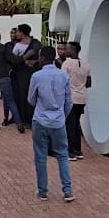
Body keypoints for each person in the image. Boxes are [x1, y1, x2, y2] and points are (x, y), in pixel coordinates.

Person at [28, 46, 74, 203]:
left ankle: (42, 192)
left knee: (40, 157)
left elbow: (31, 99)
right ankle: (67, 190)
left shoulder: (36, 76)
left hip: (40, 120)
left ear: (41, 58)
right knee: (62, 155)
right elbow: (69, 101)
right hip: (58, 121)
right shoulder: (63, 75)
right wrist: (62, 116)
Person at [61, 42, 90, 161]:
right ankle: (78, 151)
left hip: (70, 98)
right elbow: (89, 83)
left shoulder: (66, 64)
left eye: (67, 49)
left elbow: (62, 81)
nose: (65, 51)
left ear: (73, 50)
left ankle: (70, 151)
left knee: (69, 125)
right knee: (76, 124)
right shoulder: (86, 64)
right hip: (82, 98)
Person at [11, 24, 42, 126]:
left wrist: (34, 61)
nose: (16, 34)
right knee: (23, 95)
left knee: (34, 94)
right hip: (21, 74)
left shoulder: (36, 43)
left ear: (23, 33)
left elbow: (41, 56)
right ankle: (25, 118)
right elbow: (14, 60)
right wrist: (25, 60)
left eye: (18, 32)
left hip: (34, 73)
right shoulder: (17, 45)